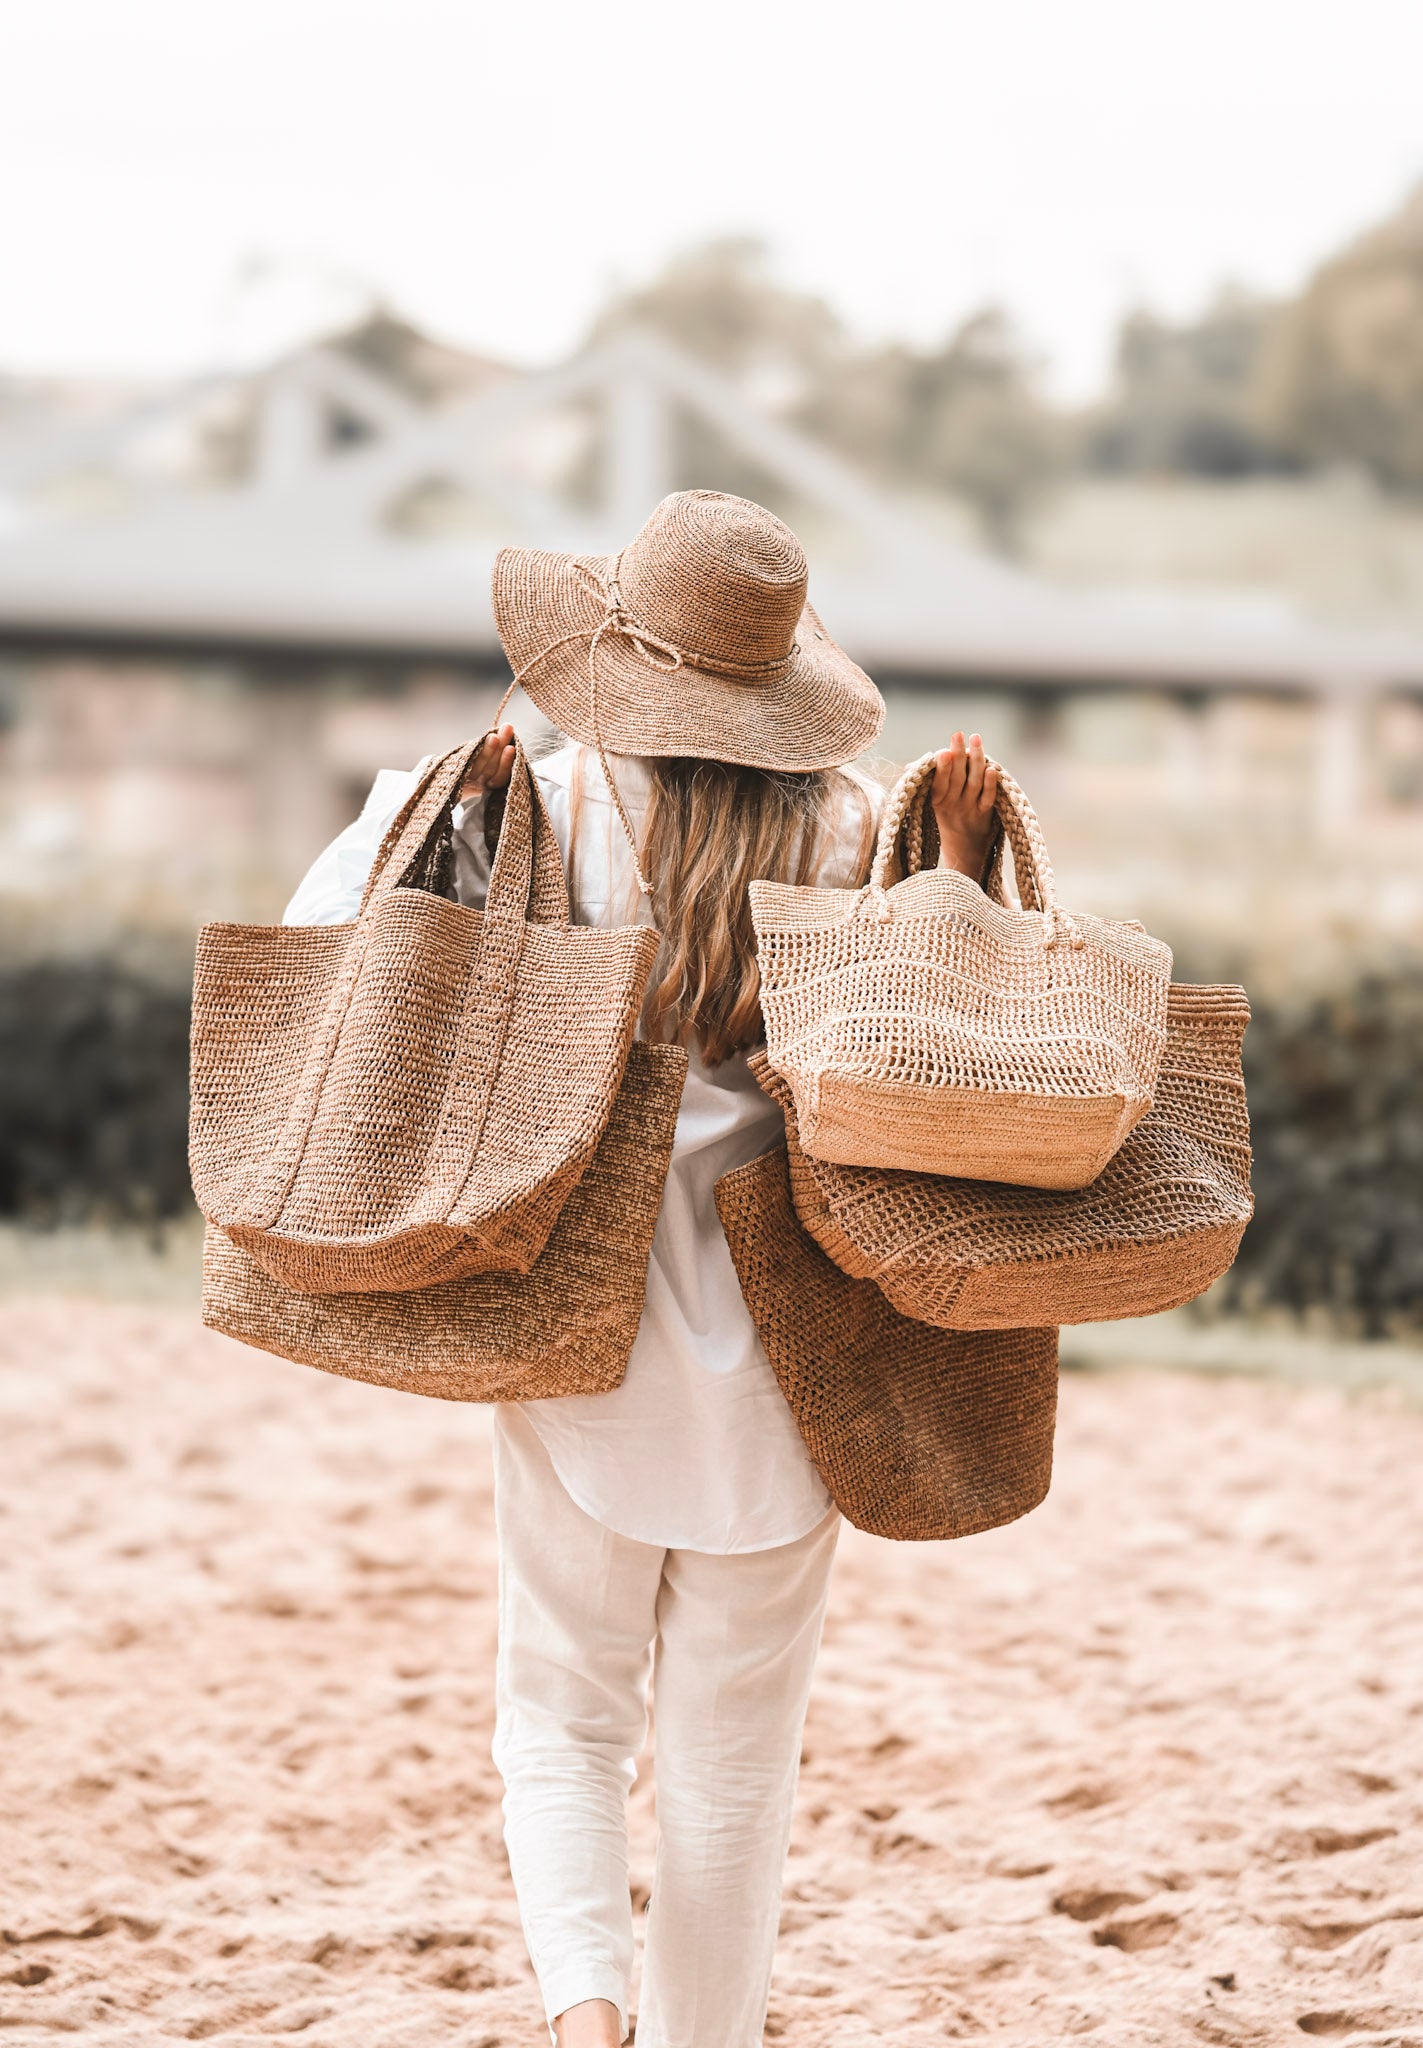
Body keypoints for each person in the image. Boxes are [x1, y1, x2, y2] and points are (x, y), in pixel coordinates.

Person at [282, 491, 1002, 2048]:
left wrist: (428, 805)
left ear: (622, 648)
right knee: (734, 1765)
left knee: (558, 1715)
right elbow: (947, 1044)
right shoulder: (853, 832)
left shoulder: (534, 803)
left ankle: (586, 2015)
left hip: (578, 1336)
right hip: (797, 1367)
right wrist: (950, 872)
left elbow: (314, 936)